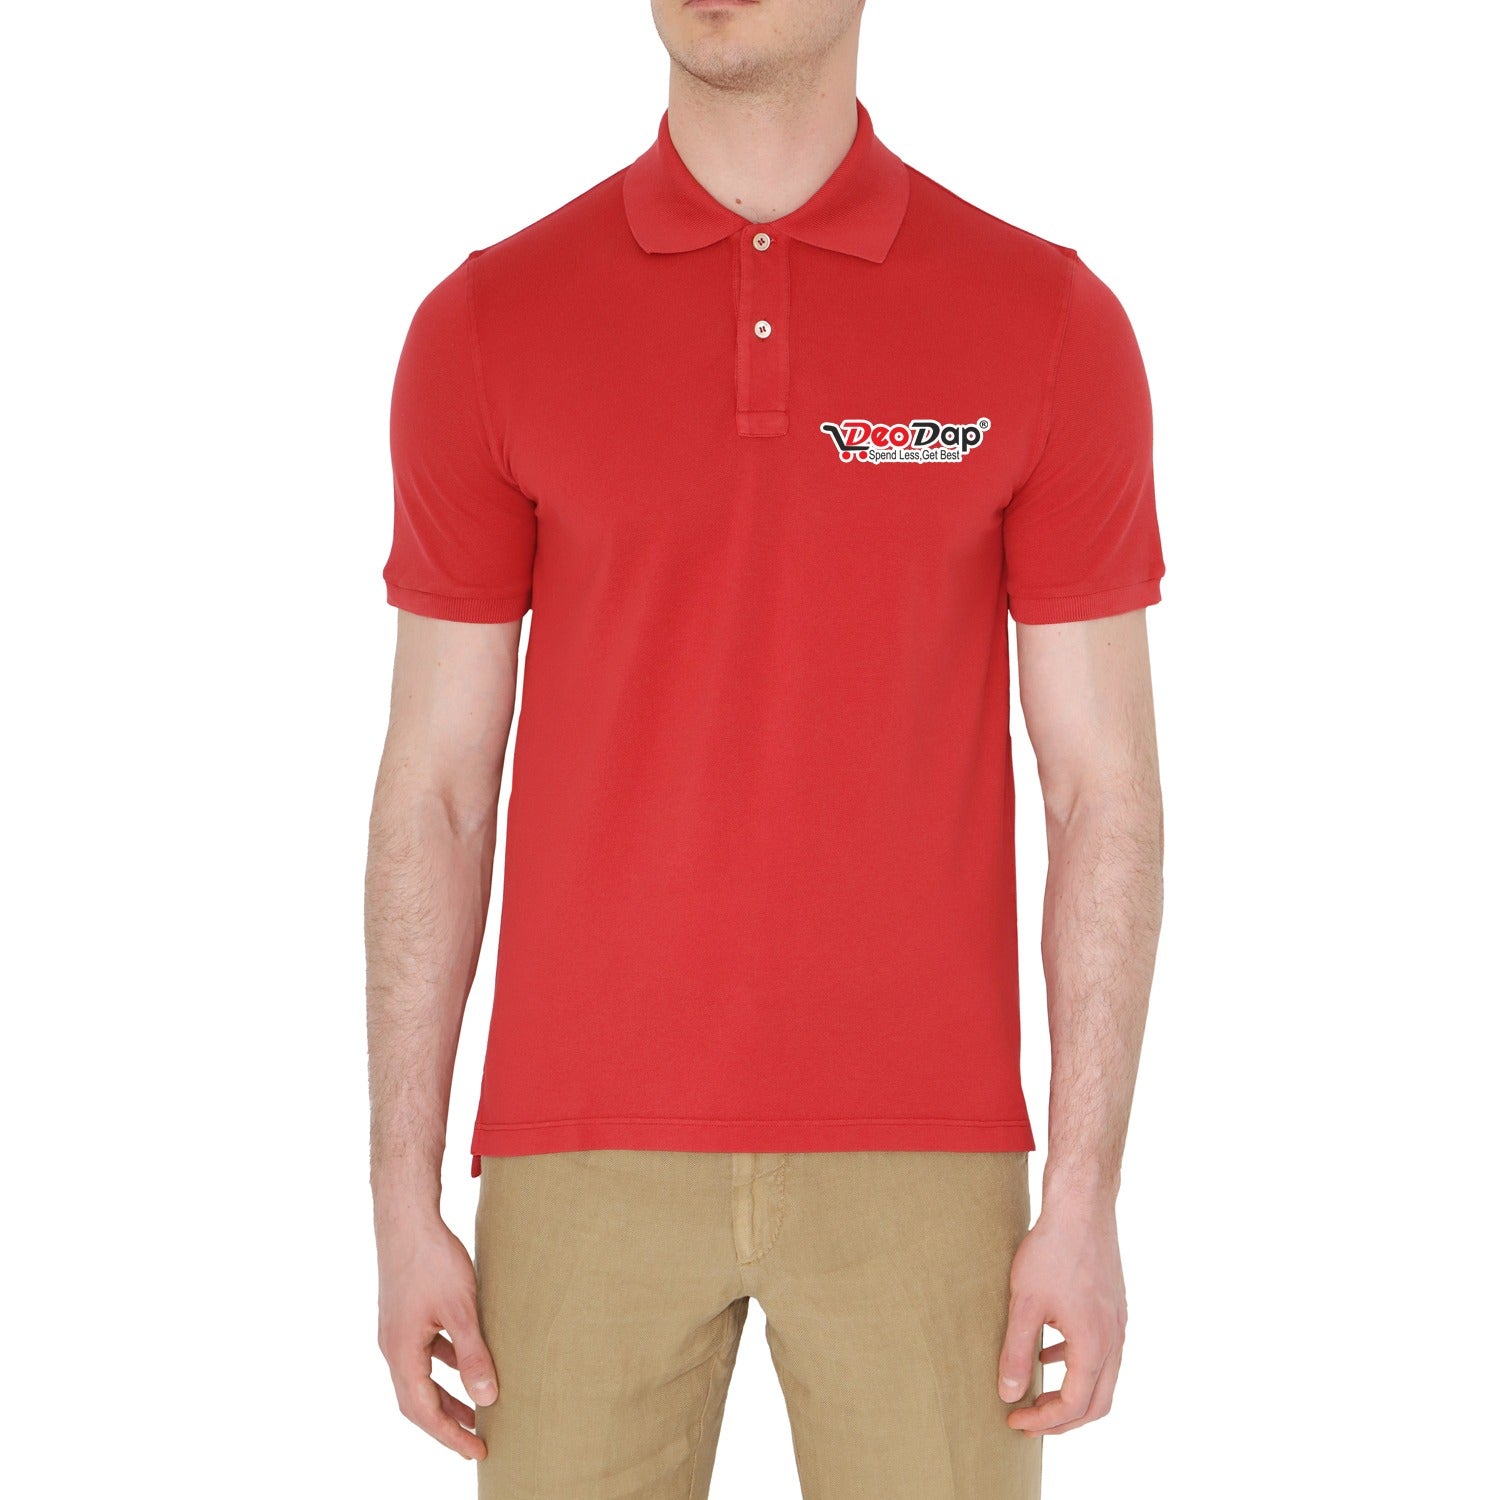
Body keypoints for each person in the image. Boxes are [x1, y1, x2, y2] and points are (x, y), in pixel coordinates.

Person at [365, 2, 1165, 1495]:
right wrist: (400, 1200)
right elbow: (438, 791)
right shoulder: (490, 324)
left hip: (927, 1160)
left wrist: (1086, 1196)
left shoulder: (1045, 321)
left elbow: (1100, 787)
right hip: (578, 1152)